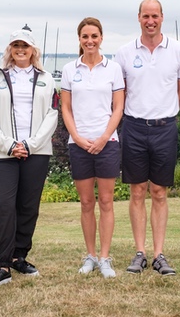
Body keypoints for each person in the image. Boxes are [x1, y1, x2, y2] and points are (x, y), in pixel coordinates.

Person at [114, 0, 180, 276]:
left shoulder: (179, 51)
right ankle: (140, 253)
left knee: (159, 192)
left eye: (155, 16)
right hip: (133, 127)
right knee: (137, 192)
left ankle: (159, 254)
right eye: (146, 16)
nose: (151, 21)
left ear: (162, 17)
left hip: (165, 128)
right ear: (139, 18)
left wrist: (165, 113)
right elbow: (119, 93)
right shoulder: (124, 53)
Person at [0, 27, 58, 289]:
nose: (20, 50)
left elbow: (52, 115)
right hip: (2, 153)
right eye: (16, 45)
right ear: (10, 49)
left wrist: (30, 144)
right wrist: (9, 144)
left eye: (25, 45)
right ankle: (1, 265)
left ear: (34, 50)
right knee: (4, 207)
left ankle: (18, 256)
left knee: (28, 207)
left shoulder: (47, 78)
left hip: (36, 152)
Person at [61, 17, 125, 278]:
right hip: (79, 144)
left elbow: (118, 107)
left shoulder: (113, 69)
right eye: (85, 36)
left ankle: (105, 258)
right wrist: (76, 136)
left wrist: (103, 137)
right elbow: (65, 107)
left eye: (94, 36)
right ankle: (90, 255)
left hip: (107, 144)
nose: (90, 41)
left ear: (101, 38)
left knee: (107, 202)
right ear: (79, 39)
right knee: (87, 203)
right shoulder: (68, 69)